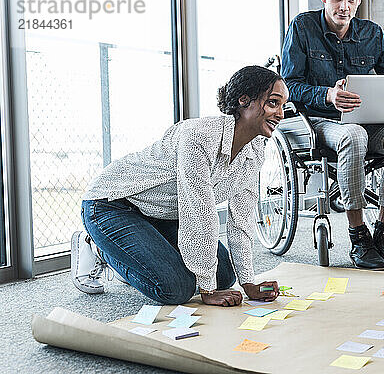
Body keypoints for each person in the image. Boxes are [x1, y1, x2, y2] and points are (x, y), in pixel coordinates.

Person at [71, 65, 289, 307]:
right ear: (244, 101)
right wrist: (207, 291)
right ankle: (99, 248)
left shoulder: (256, 149)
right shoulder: (198, 136)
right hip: (112, 204)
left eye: (283, 106)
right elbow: (200, 213)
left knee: (224, 275)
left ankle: (136, 254)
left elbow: (242, 218)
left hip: (162, 213)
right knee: (175, 289)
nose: (280, 114)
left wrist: (248, 283)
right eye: (273, 103)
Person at [281, 0, 384, 270]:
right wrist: (328, 95)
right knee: (352, 135)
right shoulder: (303, 28)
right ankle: (358, 236)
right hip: (318, 121)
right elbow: (289, 85)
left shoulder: (372, 34)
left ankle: (383, 234)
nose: (345, 6)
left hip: (367, 121)